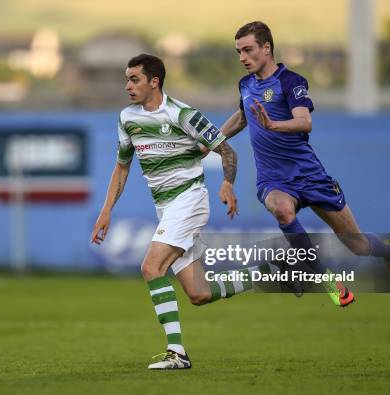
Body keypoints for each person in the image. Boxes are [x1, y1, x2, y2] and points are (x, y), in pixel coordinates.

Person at [91, 54, 271, 370]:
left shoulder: (182, 114)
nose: (127, 86)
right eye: (127, 79)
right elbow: (122, 167)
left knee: (151, 267)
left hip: (188, 201)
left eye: (134, 79)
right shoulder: (127, 118)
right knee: (199, 293)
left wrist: (227, 184)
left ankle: (177, 353)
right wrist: (106, 210)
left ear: (154, 81)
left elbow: (226, 149)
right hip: (166, 208)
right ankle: (268, 273)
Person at [218, 21, 390, 306]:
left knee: (357, 245)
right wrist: (212, 139)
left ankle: (389, 251)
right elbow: (244, 116)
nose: (243, 58)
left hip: (310, 176)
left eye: (248, 50)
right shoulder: (245, 85)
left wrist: (273, 125)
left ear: (266, 48)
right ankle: (326, 278)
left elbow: (305, 122)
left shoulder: (291, 82)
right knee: (282, 210)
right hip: (274, 179)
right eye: (238, 52)